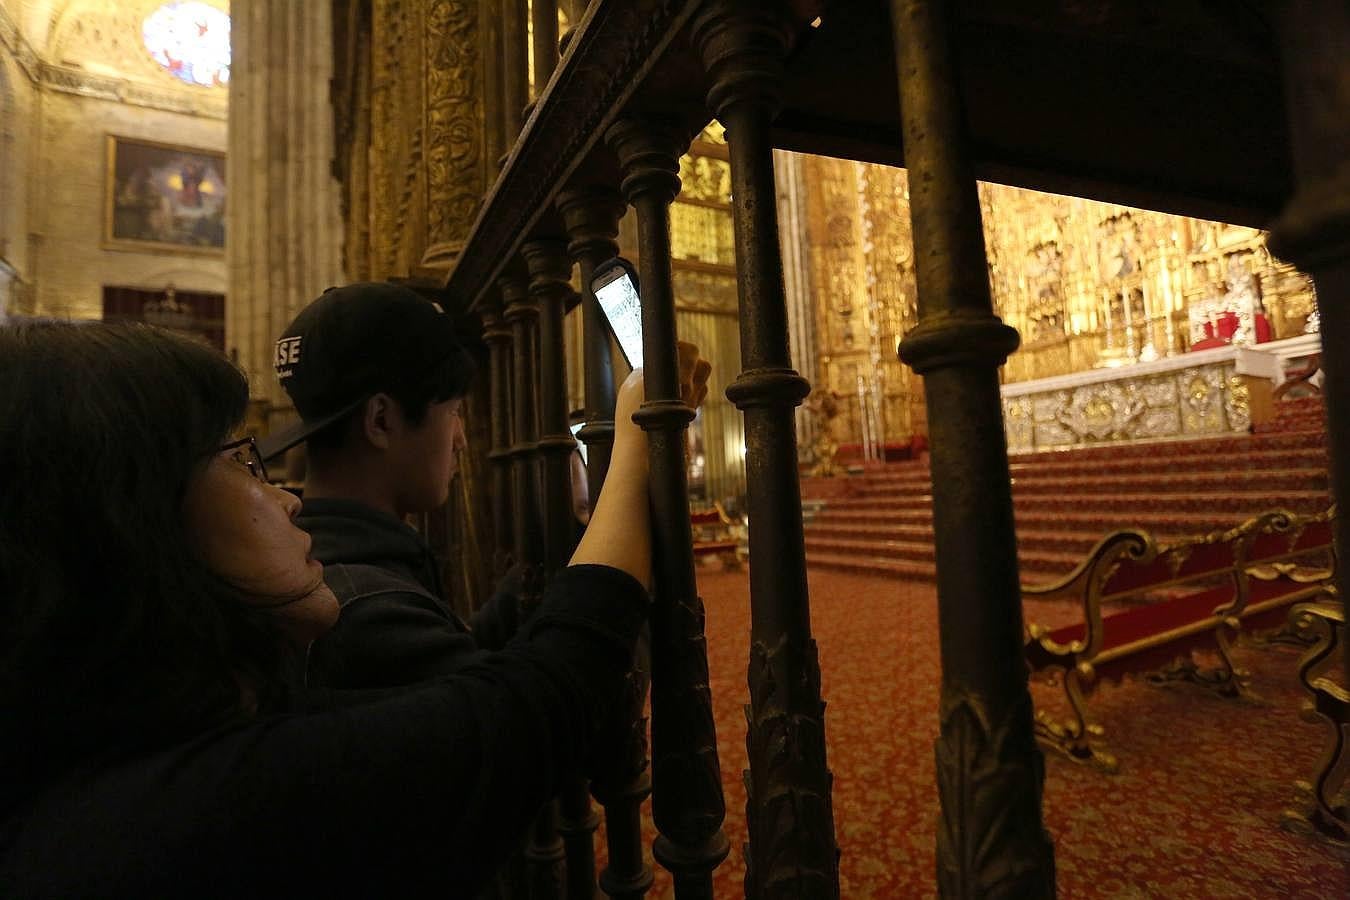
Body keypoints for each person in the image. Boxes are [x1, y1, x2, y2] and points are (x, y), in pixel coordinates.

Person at [0, 320, 710, 897]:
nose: (285, 496)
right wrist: (640, 437)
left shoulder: (127, 744)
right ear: (133, 521)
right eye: (237, 461)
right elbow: (536, 709)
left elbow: (486, 673)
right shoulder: (179, 819)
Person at [261, 283, 520, 689]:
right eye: (453, 412)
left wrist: (512, 604)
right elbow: (516, 719)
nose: (461, 439)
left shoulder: (328, 561)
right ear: (381, 421)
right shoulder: (365, 613)